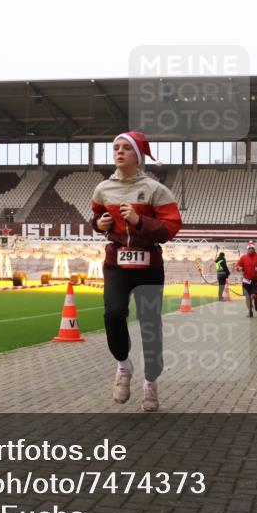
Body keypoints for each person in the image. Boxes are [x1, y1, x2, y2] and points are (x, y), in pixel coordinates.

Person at [90, 131, 182, 412]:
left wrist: (139, 221)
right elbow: (95, 218)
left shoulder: (156, 190)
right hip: (116, 263)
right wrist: (100, 224)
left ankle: (150, 384)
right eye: (115, 148)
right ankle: (123, 366)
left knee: (151, 327)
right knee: (113, 314)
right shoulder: (103, 189)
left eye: (125, 148)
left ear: (137, 155)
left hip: (148, 266)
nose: (118, 152)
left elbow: (172, 227)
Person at [234, 241, 257, 318]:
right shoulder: (243, 257)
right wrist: (239, 268)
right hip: (246, 280)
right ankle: (250, 311)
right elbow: (237, 265)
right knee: (247, 297)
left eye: (252, 248)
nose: (251, 250)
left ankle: (256, 302)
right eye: (249, 248)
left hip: (255, 279)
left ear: (254, 249)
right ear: (247, 249)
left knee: (253, 295)